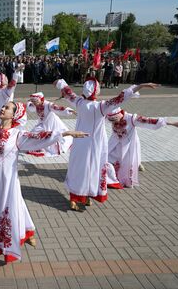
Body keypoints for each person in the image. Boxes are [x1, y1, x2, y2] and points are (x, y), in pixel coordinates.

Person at [0, 100, 88, 263]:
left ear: (14, 115)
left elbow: (40, 137)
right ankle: (26, 232)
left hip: (6, 179)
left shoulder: (18, 135)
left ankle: (1, 245)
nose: (3, 108)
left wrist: (66, 133)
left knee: (6, 207)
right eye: (3, 106)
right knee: (1, 205)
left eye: (7, 108)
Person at [54, 77, 159, 211]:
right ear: (95, 92)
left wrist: (59, 83)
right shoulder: (100, 106)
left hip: (80, 142)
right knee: (92, 170)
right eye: (98, 90)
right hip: (95, 144)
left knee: (79, 169)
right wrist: (141, 85)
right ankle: (77, 197)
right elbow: (121, 97)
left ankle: (82, 196)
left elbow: (68, 92)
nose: (99, 92)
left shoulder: (79, 102)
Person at [105, 107, 178, 187]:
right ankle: (110, 177)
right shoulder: (110, 117)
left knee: (127, 161)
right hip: (115, 142)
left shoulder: (131, 118)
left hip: (128, 143)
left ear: (120, 114)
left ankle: (131, 170)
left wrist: (173, 123)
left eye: (114, 119)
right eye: (111, 120)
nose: (113, 122)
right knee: (108, 158)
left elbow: (151, 121)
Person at [26, 92, 75, 157]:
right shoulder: (36, 105)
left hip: (51, 123)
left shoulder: (48, 105)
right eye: (33, 101)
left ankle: (47, 148)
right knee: (33, 134)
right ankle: (37, 147)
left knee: (53, 136)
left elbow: (58, 108)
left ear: (41, 99)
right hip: (42, 123)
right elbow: (30, 107)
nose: (35, 103)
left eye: (36, 101)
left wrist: (67, 110)